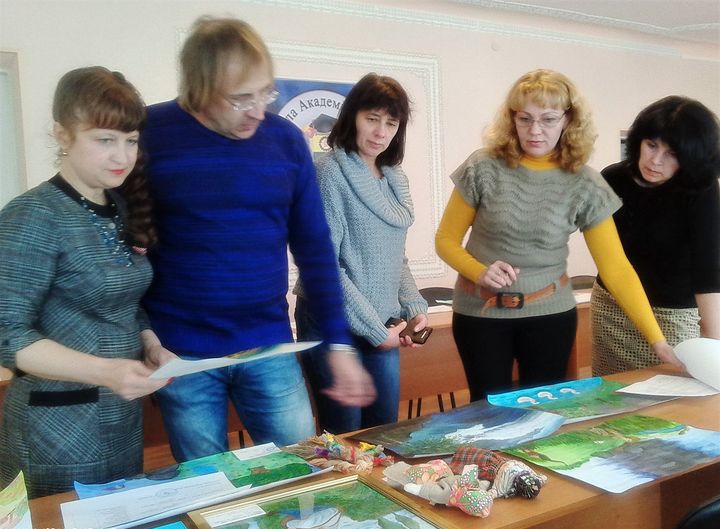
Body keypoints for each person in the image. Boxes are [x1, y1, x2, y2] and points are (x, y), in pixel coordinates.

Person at [141, 17, 375, 462]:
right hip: (181, 352)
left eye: (265, 93)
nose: (256, 111)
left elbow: (315, 248)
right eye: (240, 98)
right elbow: (123, 246)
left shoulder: (285, 141)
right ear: (199, 89)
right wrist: (145, 336)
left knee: (303, 470)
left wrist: (338, 343)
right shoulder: (150, 133)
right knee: (207, 485)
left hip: (269, 344)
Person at [435, 69, 681, 402]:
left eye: (548, 120)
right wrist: (479, 271)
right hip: (480, 313)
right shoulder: (483, 167)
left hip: (549, 317)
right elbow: (445, 240)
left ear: (568, 120)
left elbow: (616, 268)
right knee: (488, 412)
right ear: (512, 119)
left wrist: (657, 340)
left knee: (545, 412)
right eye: (525, 119)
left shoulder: (585, 183)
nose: (535, 130)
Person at [0, 67, 170, 498]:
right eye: (105, 140)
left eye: (131, 140)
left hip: (120, 415)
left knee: (115, 520)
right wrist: (107, 371)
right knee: (62, 524)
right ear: (62, 134)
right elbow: (6, 334)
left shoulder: (119, 209)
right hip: (55, 426)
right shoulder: (32, 215)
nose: (122, 156)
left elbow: (125, 302)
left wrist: (151, 345)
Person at [294, 73, 429, 433]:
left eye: (391, 123)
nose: (380, 132)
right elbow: (324, 267)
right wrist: (374, 328)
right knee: (345, 439)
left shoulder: (394, 177)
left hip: (382, 325)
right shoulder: (328, 173)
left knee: (384, 433)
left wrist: (414, 307)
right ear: (352, 116)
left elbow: (395, 258)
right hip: (330, 322)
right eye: (372, 119)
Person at [592, 96, 720, 375]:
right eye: (651, 145)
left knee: (677, 394)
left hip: (673, 316)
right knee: (610, 391)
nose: (655, 160)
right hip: (613, 308)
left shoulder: (702, 190)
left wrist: (714, 345)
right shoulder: (612, 179)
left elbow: (708, 270)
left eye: (672, 153)